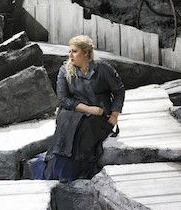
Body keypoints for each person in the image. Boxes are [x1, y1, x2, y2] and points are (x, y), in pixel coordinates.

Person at [32, 35, 125, 182]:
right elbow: (63, 99)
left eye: (74, 51)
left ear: (86, 53)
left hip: (99, 114)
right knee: (66, 122)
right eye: (70, 51)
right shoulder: (65, 71)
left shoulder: (103, 69)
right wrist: (88, 109)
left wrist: (115, 114)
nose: (70, 55)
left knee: (84, 126)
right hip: (75, 110)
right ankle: (58, 169)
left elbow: (119, 91)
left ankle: (77, 170)